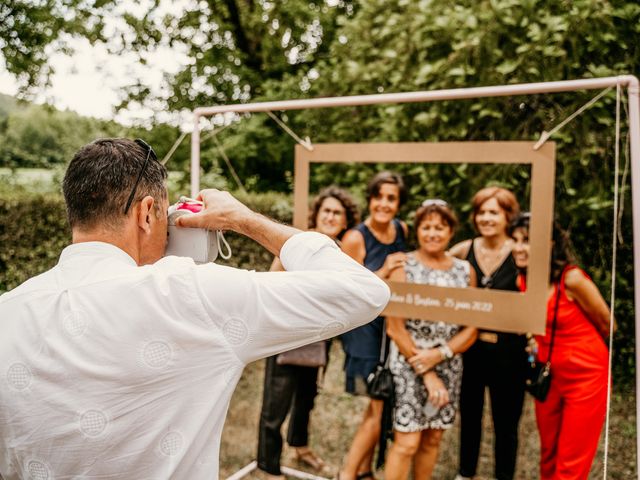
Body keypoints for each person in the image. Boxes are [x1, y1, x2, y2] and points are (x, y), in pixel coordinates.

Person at [0, 138, 390, 480]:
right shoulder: (188, 293)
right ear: (147, 213)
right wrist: (245, 220)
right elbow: (363, 291)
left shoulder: (9, 310)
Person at [257, 187, 360, 479]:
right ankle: (269, 466)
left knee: (306, 399)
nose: (331, 216)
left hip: (319, 339)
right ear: (317, 214)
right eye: (326, 210)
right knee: (275, 404)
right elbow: (271, 280)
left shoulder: (340, 251)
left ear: (345, 220)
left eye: (337, 213)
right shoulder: (298, 242)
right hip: (286, 336)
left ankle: (301, 448)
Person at [511, 214, 614, 480]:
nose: (518, 247)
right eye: (515, 240)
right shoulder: (521, 280)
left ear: (548, 243)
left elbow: (609, 325)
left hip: (586, 376)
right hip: (549, 374)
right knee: (548, 453)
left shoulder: (572, 279)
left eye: (527, 241)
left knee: (571, 461)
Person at [384, 200, 478, 480]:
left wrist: (441, 355)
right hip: (409, 361)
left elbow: (471, 327)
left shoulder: (465, 271)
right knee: (407, 442)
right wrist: (427, 371)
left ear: (451, 231)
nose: (433, 233)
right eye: (426, 227)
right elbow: (395, 329)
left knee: (434, 437)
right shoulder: (403, 267)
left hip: (449, 363)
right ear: (418, 231)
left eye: (440, 227)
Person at [449, 186, 526, 480]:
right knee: (469, 417)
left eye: (493, 212)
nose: (486, 218)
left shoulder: (520, 252)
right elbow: (435, 266)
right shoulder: (463, 250)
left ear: (508, 216)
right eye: (481, 212)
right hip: (469, 350)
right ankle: (465, 473)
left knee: (506, 423)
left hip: (510, 353)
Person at [338, 171, 408, 480]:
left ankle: (364, 469)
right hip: (364, 330)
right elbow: (345, 290)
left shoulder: (402, 230)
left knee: (379, 405)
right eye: (378, 197)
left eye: (391, 198)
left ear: (398, 203)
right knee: (379, 408)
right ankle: (348, 473)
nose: (384, 204)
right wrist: (383, 270)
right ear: (370, 199)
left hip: (392, 328)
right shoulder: (356, 238)